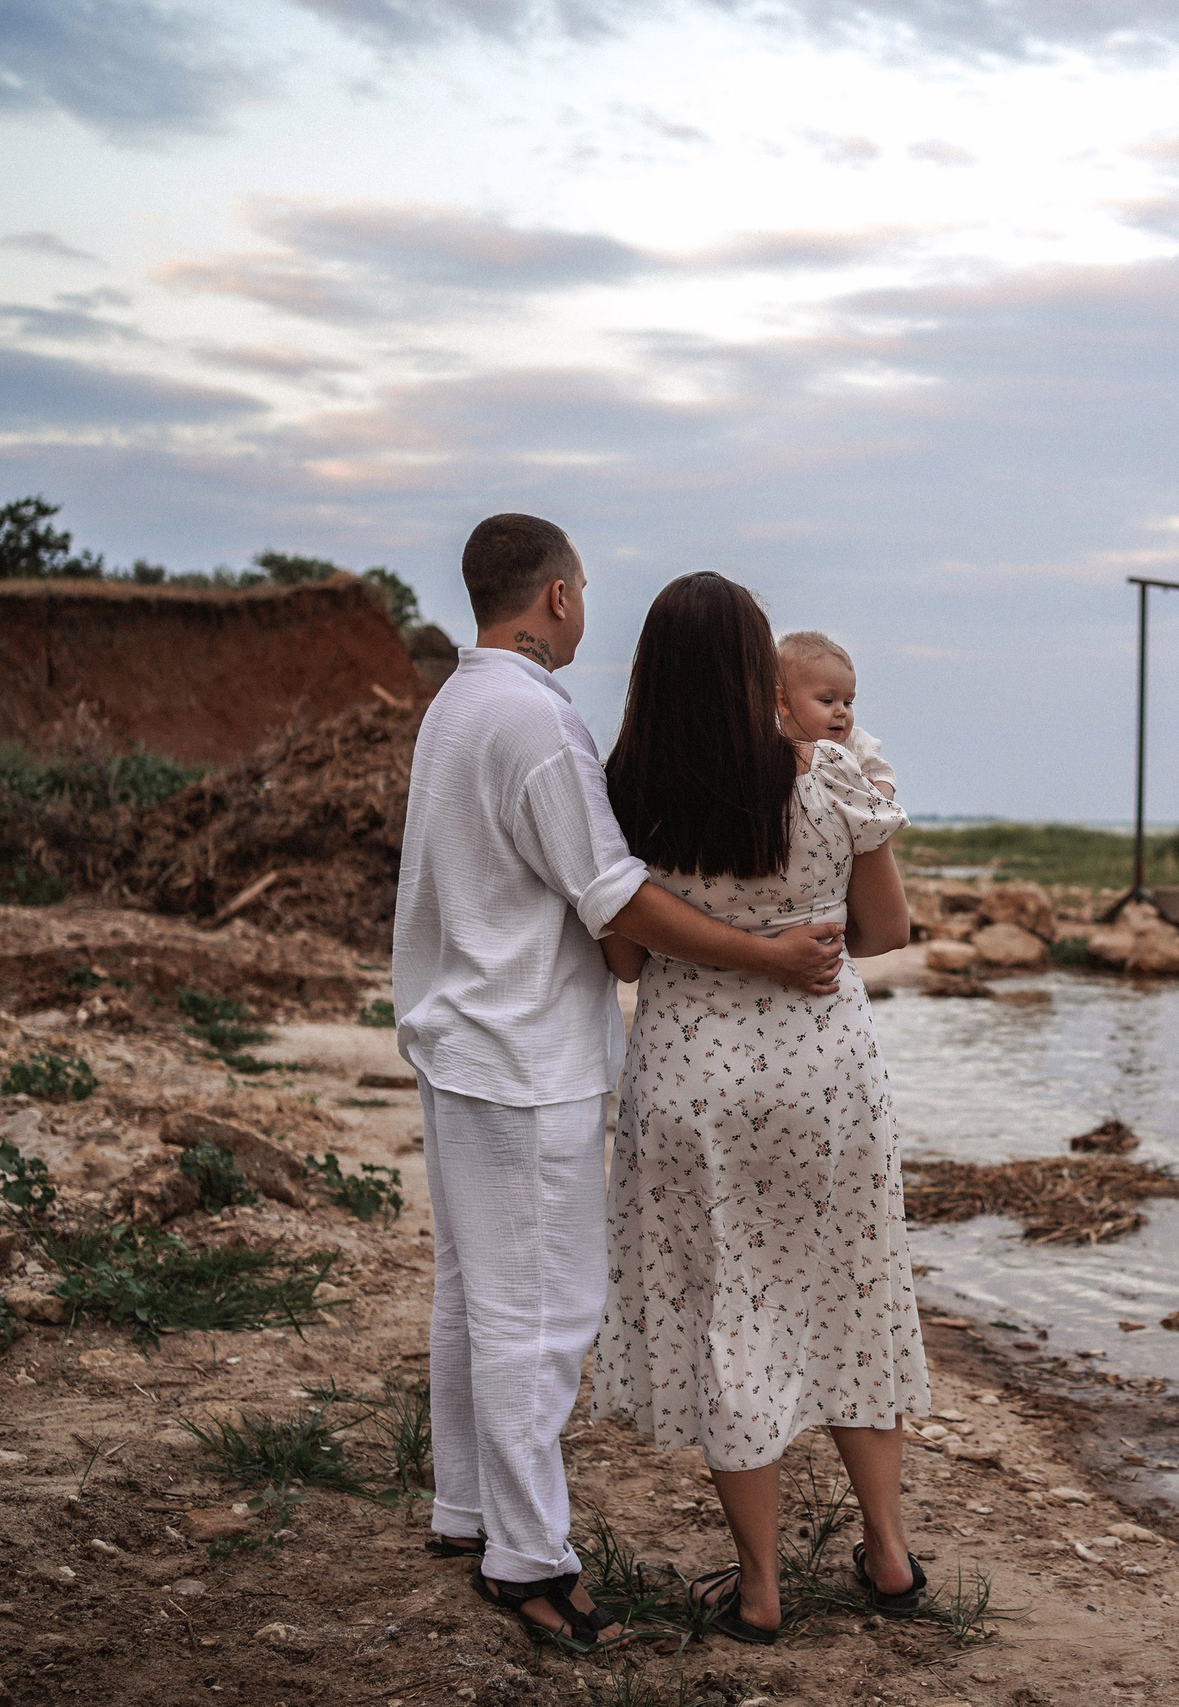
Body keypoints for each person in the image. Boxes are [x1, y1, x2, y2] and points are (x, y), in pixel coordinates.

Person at [393, 515, 850, 1654]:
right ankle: (529, 1560)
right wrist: (768, 954)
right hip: (522, 1055)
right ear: (554, 597)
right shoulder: (538, 723)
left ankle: (468, 1511)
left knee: (474, 1294)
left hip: (460, 1039)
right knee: (541, 1316)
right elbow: (615, 903)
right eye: (582, 587)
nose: (585, 605)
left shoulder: (457, 706)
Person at [593, 573, 928, 1646]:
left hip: (693, 1081)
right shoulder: (831, 778)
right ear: (758, 670)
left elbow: (624, 951)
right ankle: (886, 1556)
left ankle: (759, 1590)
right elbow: (884, 934)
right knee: (852, 1290)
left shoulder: (625, 791)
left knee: (733, 1314)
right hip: (824, 1075)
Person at [776, 629, 896, 800]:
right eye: (827, 701)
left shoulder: (855, 743)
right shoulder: (773, 744)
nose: (841, 711)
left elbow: (884, 775)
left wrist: (879, 794)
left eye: (848, 702)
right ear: (783, 702)